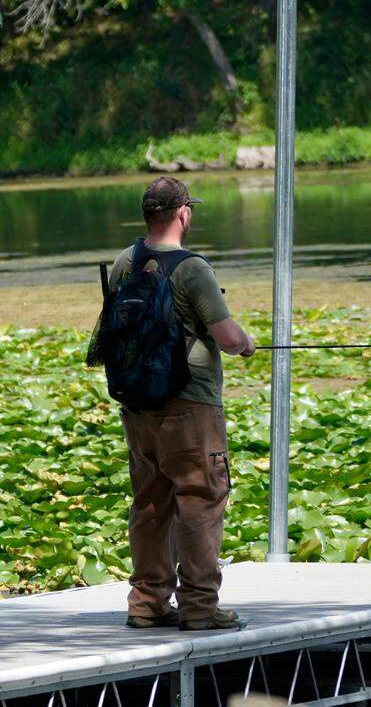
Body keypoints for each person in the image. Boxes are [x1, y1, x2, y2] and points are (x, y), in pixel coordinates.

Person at [108, 177, 256, 630]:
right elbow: (228, 338)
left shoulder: (124, 262)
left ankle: (147, 603)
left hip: (138, 405)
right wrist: (247, 344)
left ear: (147, 214)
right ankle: (199, 607)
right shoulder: (192, 269)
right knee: (200, 500)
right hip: (190, 406)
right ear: (183, 213)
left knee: (150, 502)